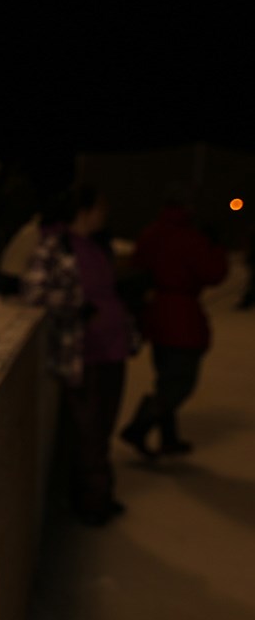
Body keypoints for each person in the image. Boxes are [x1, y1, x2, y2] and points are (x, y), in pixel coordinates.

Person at [22, 185, 134, 526]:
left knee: (102, 427)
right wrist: (77, 307)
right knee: (88, 430)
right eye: (100, 207)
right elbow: (34, 291)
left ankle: (97, 493)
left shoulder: (99, 245)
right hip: (83, 355)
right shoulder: (57, 245)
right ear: (83, 210)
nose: (105, 213)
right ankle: (92, 500)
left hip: (113, 350)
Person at [119, 189, 228, 458]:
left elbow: (136, 265)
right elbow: (214, 272)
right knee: (180, 382)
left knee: (167, 377)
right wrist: (216, 247)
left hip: (156, 315)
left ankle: (169, 437)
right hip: (182, 318)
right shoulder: (190, 238)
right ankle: (139, 426)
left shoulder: (152, 233)